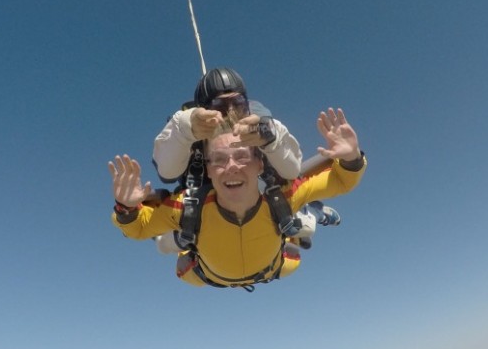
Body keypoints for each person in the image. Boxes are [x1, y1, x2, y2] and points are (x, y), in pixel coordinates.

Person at [109, 108, 366, 289]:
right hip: (243, 271)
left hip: (261, 267)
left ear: (259, 164)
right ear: (208, 170)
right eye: (219, 159)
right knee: (168, 246)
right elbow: (138, 227)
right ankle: (311, 215)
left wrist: (351, 157)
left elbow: (341, 180)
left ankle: (312, 213)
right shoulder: (188, 206)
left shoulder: (283, 196)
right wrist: (127, 207)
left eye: (242, 156)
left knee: (176, 255)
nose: (231, 166)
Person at [151, 66, 339, 250]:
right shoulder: (183, 125)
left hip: (254, 194)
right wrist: (186, 131)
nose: (230, 112)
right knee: (166, 243)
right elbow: (167, 171)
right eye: (219, 106)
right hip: (204, 202)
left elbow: (291, 169)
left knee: (305, 226)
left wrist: (270, 139)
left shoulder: (261, 124)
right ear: (203, 108)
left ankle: (312, 212)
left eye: (238, 103)